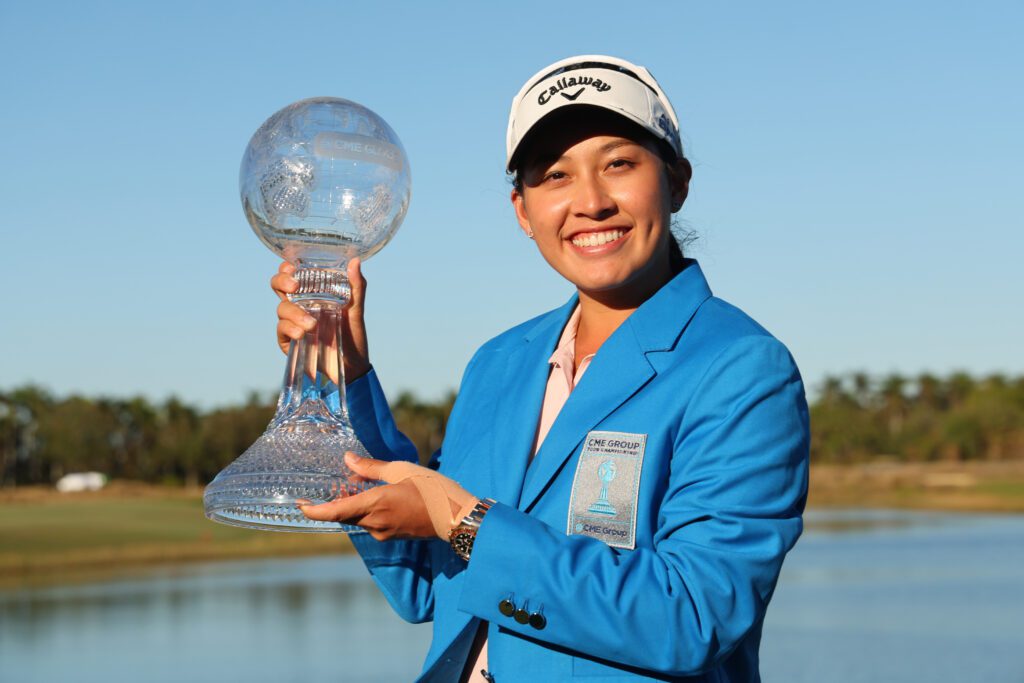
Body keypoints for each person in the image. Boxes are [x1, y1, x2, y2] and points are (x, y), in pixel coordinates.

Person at [273, 55, 809, 683]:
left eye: (618, 163)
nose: (590, 201)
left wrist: (466, 523)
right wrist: (347, 379)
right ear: (523, 212)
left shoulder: (741, 369)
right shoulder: (499, 363)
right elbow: (425, 585)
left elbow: (691, 617)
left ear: (677, 181)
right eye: (554, 175)